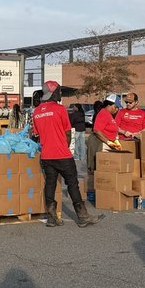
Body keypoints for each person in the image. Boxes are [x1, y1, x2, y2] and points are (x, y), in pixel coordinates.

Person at [32, 81, 94, 228]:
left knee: (50, 184)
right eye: (58, 91)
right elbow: (67, 133)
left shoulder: (37, 112)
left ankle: (52, 218)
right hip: (62, 154)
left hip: (46, 156)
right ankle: (83, 216)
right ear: (53, 93)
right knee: (72, 184)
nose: (60, 93)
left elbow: (36, 134)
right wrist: (63, 148)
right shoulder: (60, 109)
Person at [68, 104, 89, 171]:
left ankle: (77, 156)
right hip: (82, 129)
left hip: (76, 129)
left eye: (74, 107)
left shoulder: (74, 114)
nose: (73, 108)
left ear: (77, 108)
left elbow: (71, 121)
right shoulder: (82, 113)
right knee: (82, 144)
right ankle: (83, 157)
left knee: (76, 144)